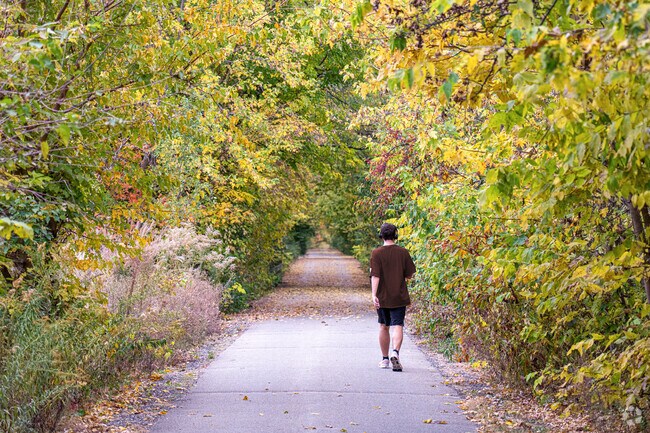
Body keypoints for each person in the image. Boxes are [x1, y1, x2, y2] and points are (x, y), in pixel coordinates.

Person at [370, 223, 416, 372]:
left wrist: (374, 294)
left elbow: (375, 275)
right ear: (395, 235)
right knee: (398, 325)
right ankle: (395, 352)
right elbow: (410, 275)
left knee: (384, 326)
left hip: (383, 296)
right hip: (399, 296)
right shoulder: (403, 252)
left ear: (381, 236)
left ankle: (384, 359)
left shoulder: (376, 253)